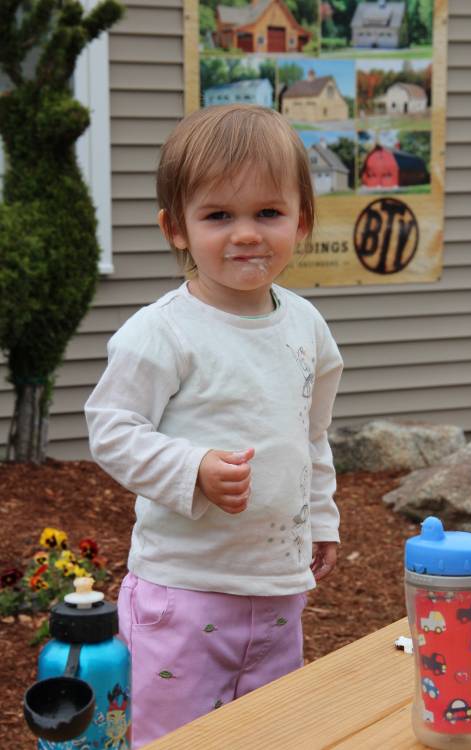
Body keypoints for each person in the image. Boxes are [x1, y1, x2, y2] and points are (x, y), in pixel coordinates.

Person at [85, 104, 343, 748]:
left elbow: (309, 434)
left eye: (269, 213)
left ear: (302, 220)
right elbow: (111, 427)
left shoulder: (307, 325)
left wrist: (321, 517)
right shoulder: (163, 331)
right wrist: (191, 468)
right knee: (175, 735)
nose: (247, 234)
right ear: (177, 228)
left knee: (268, 731)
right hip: (186, 587)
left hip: (279, 587)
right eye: (219, 215)